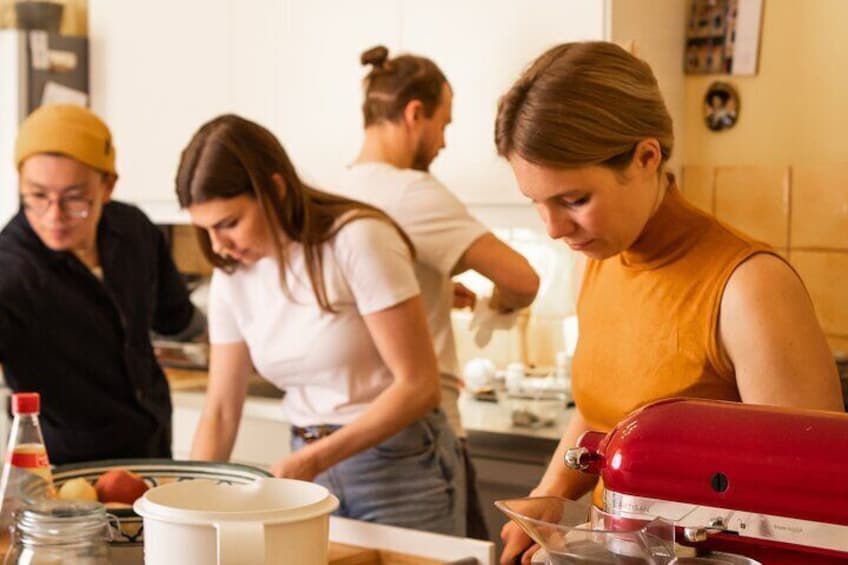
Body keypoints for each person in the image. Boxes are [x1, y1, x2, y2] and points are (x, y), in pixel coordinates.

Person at [493, 41, 844, 563]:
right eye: (537, 203)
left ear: (646, 157)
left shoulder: (749, 286)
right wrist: (551, 494)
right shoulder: (602, 259)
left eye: (574, 200)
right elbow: (598, 415)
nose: (553, 229)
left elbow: (817, 504)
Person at [180, 114, 466, 536]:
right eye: (205, 229)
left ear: (275, 190)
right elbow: (221, 412)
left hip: (399, 466)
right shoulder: (232, 276)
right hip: (308, 467)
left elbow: (418, 385)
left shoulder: (356, 239)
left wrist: (314, 459)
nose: (218, 245)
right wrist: (188, 507)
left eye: (229, 223)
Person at [335, 45, 540, 540]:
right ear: (413, 115)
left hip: (346, 441)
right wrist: (498, 306)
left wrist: (434, 291)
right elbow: (522, 280)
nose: (444, 142)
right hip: (418, 438)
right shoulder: (410, 190)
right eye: (444, 124)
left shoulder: (333, 194)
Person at [0, 104, 205, 464]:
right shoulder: (10, 271)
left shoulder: (134, 230)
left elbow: (177, 320)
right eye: (37, 196)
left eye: (75, 198)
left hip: (153, 448)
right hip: (67, 471)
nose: (54, 215)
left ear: (108, 185)